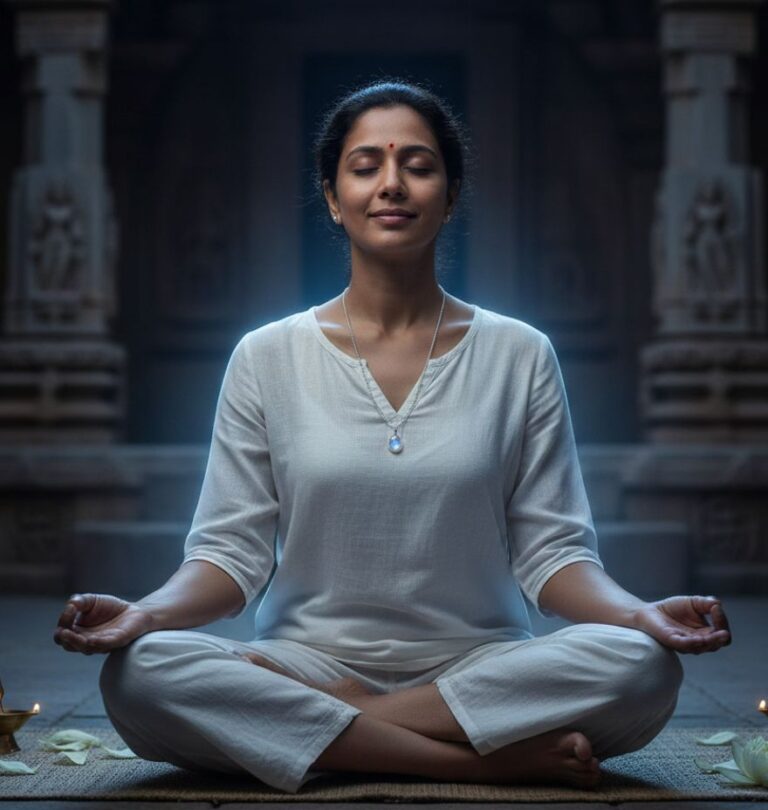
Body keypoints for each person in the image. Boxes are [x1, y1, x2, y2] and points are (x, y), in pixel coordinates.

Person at [53, 80, 731, 795]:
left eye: (418, 163)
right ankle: (474, 761)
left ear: (451, 194)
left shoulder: (519, 353)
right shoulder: (266, 355)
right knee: (143, 671)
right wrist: (146, 613)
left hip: (480, 666)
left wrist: (638, 613)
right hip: (303, 663)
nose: (392, 184)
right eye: (365, 164)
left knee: (642, 664)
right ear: (332, 197)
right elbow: (229, 555)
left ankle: (350, 725)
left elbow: (554, 554)